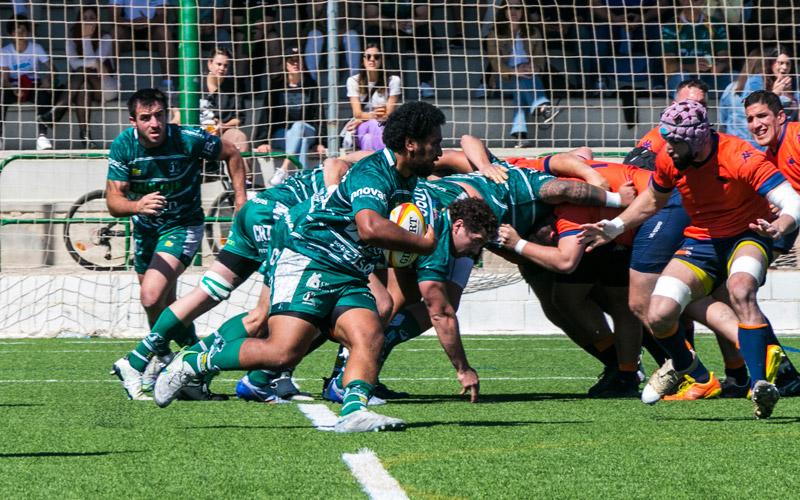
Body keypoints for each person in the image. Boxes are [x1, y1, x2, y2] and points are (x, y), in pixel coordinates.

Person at [154, 101, 445, 433]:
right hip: (309, 251)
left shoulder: (405, 177)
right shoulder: (374, 172)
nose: (439, 150)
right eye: (435, 142)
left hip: (347, 264)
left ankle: (354, 410)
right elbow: (369, 226)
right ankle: (194, 362)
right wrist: (423, 244)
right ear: (411, 143)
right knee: (282, 353)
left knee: (369, 333)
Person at [580, 100, 800, 419]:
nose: (668, 148)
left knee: (740, 289)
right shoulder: (670, 159)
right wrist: (614, 228)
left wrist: (780, 225)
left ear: (697, 137)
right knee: (658, 313)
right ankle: (688, 368)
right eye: (666, 139)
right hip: (701, 240)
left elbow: (791, 200)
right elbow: (652, 200)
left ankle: (761, 385)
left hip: (747, 235)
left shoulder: (740, 156)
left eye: (675, 141)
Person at [108, 88, 247, 401]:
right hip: (145, 229)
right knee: (161, 306)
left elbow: (233, 154)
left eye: (159, 115)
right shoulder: (123, 145)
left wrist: (241, 202)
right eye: (146, 118)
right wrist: (137, 206)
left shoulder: (188, 138)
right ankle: (185, 371)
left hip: (182, 226)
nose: (154, 123)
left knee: (150, 294)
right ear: (134, 121)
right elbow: (113, 200)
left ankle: (144, 362)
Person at [323, 196, 498, 404]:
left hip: (350, 246)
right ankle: (340, 383)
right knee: (380, 307)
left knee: (390, 304)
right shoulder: (436, 243)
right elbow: (440, 314)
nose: (475, 251)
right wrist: (463, 369)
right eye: (476, 241)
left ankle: (357, 378)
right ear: (458, 226)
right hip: (333, 245)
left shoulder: (442, 205)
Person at [743, 89, 800, 396]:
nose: (756, 124)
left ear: (780, 117)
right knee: (738, 287)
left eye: (762, 116)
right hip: (787, 225)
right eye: (750, 119)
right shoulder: (766, 159)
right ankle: (784, 372)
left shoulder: (797, 137)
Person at [486, 0, 559, 144]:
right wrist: (515, 71)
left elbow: (540, 60)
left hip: (528, 77)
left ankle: (519, 135)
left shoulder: (533, 32)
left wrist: (535, 68)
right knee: (521, 79)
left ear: (524, 11)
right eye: (509, 8)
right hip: (504, 79)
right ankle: (542, 106)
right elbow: (495, 64)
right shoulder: (494, 34)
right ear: (504, 11)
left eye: (517, 8)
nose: (513, 12)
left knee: (522, 86)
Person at [254, 47, 326, 185]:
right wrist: (262, 141)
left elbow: (319, 114)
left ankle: (283, 169)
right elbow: (266, 114)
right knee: (302, 142)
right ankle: (303, 180)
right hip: (283, 134)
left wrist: (320, 142)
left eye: (298, 60)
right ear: (286, 64)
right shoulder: (276, 86)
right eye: (291, 61)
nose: (295, 64)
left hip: (308, 130)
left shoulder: (311, 86)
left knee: (299, 127)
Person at [0, 16, 68, 150]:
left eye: (24, 31)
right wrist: (13, 88)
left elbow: (53, 69)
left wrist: (47, 80)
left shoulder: (36, 48)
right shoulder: (5, 51)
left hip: (33, 85)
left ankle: (42, 137)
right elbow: (4, 78)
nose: (20, 35)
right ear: (11, 34)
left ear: (29, 33)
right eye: (16, 32)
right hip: (13, 86)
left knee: (43, 94)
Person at [66, 6, 116, 148]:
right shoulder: (71, 39)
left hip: (106, 86)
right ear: (78, 21)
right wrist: (94, 63)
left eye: (92, 18)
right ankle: (85, 135)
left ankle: (58, 109)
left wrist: (86, 38)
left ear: (98, 21)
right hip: (86, 87)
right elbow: (74, 64)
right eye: (85, 18)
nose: (88, 22)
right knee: (84, 86)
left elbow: (96, 60)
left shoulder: (105, 37)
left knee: (84, 71)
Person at [661, 0, 730, 97]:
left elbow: (725, 59)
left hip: (709, 78)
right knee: (680, 78)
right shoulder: (670, 27)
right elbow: (668, 67)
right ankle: (686, 109)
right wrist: (693, 67)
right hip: (684, 78)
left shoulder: (716, 25)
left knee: (733, 77)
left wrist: (719, 66)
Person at [344, 43, 401, 152]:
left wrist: (363, 117)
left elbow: (388, 113)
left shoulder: (393, 80)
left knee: (368, 139)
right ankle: (385, 159)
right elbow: (357, 113)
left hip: (385, 126)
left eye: (376, 57)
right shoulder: (353, 81)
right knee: (374, 124)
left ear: (381, 60)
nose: (372, 60)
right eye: (368, 56)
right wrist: (372, 116)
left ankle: (371, 166)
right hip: (361, 126)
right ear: (363, 60)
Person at [109, 0, 176, 91]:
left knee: (164, 31)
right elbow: (114, 17)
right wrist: (131, 23)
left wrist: (149, 22)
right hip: (127, 31)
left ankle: (167, 83)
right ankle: (113, 81)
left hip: (151, 31)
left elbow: (162, 16)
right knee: (116, 32)